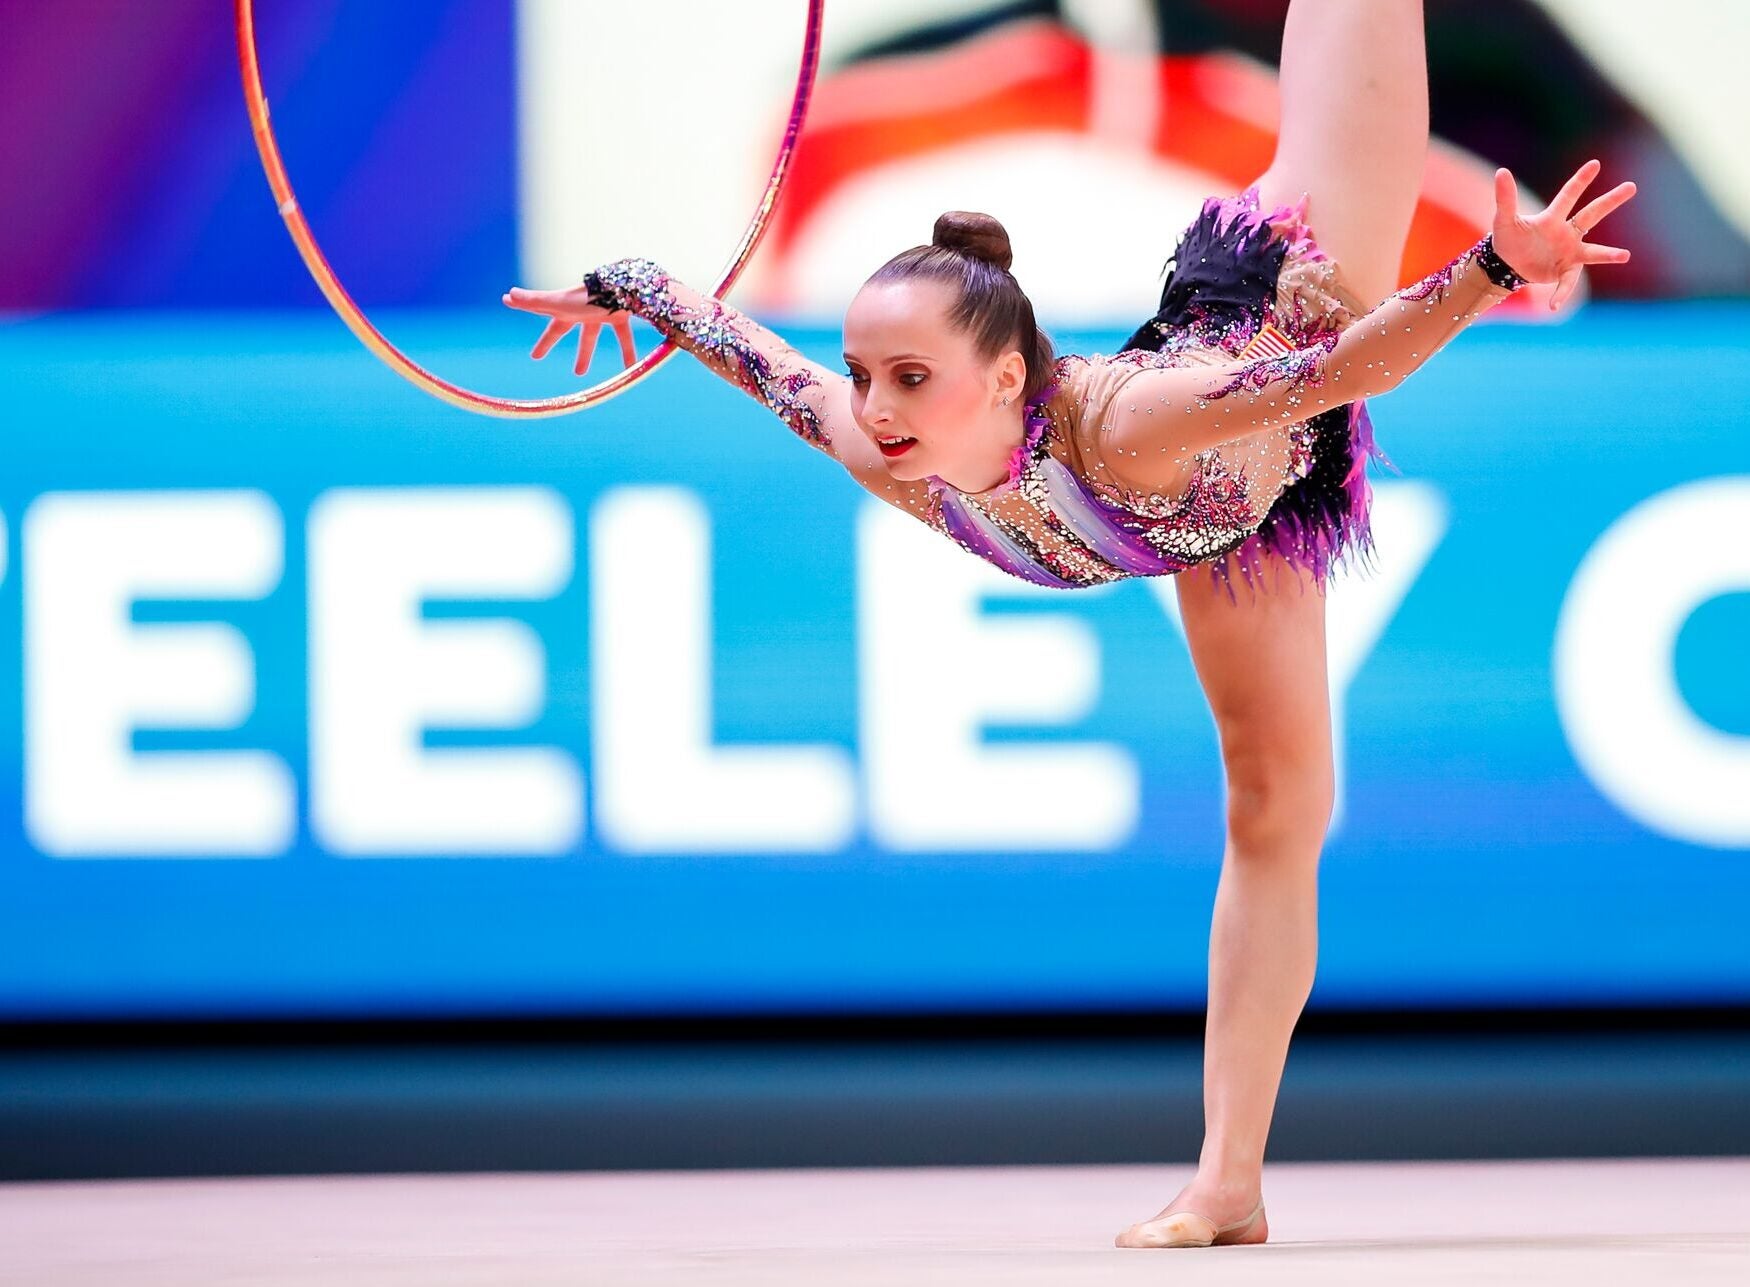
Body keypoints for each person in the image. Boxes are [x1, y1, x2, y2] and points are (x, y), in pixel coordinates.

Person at [504, 0, 1634, 1248]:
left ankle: (1223, 1179)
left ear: (1003, 378)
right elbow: (740, 345)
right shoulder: (891, 453)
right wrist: (626, 288)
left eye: (908, 380)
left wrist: (1487, 271)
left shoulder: (1131, 424)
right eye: (866, 373)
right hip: (1230, 521)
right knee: (1276, 810)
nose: (869, 408)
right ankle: (1229, 1185)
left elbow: (1340, 372)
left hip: (1301, 285)